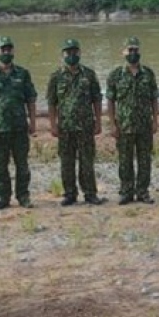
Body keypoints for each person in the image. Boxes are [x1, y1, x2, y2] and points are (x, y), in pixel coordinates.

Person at [0, 36, 38, 210]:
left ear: (13, 51)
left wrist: (33, 123)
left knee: (22, 164)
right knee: (0, 165)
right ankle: (2, 198)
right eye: (2, 49)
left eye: (9, 49)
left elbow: (31, 100)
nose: (6, 52)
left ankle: (23, 196)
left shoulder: (23, 73)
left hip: (20, 127)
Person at [47, 38, 105, 206]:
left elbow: (96, 99)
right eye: (68, 52)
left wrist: (98, 121)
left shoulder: (89, 74)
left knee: (87, 161)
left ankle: (90, 193)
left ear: (79, 53)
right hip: (65, 127)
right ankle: (70, 194)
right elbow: (51, 102)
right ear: (63, 54)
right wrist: (53, 125)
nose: (71, 55)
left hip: (86, 125)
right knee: (67, 161)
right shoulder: (56, 76)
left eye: (74, 52)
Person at [106, 37, 159, 205]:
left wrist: (155, 120)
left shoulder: (148, 73)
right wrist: (112, 124)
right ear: (123, 52)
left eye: (136, 50)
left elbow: (154, 99)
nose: (133, 53)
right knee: (125, 160)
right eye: (130, 50)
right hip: (124, 125)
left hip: (144, 124)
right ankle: (126, 192)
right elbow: (110, 101)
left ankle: (143, 192)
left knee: (145, 160)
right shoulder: (115, 75)